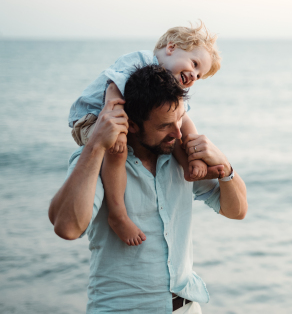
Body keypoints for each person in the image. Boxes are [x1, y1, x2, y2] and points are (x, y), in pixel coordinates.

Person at [49, 65, 247, 313]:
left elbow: (236, 211)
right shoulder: (96, 160)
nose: (177, 133)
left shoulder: (180, 155)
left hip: (186, 307)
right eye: (165, 126)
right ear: (131, 124)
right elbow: (67, 227)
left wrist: (226, 167)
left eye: (180, 120)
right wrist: (96, 145)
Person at [69, 23, 220, 246]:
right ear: (171, 47)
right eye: (194, 64)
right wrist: (116, 130)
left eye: (199, 74)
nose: (193, 75)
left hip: (123, 116)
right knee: (116, 150)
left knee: (181, 119)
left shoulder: (169, 85)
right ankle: (118, 215)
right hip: (92, 117)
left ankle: (191, 164)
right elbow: (113, 92)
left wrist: (195, 153)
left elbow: (183, 118)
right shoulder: (139, 60)